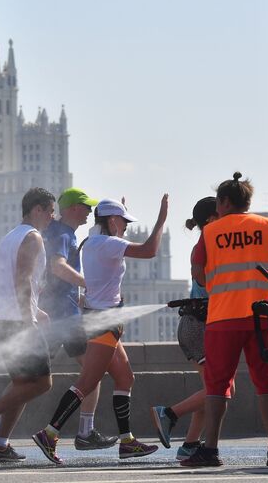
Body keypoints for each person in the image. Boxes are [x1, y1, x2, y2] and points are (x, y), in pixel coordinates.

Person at [180, 173, 268, 468]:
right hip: (263, 317)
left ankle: (210, 451)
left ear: (225, 201)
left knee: (216, 385)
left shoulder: (210, 232)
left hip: (223, 318)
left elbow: (198, 271)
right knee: (267, 384)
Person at [32, 195, 168, 465]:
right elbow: (150, 250)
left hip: (103, 320)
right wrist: (161, 219)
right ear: (114, 221)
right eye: (124, 221)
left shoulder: (92, 242)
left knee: (124, 378)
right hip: (104, 322)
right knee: (86, 383)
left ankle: (127, 442)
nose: (126, 227)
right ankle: (49, 433)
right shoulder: (109, 243)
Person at [0, 187, 56, 463]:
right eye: (50, 211)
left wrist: (35, 310)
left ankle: (0, 445)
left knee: (21, 384)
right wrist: (28, 320)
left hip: (3, 319)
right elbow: (22, 279)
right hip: (17, 321)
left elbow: (11, 283)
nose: (53, 217)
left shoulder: (9, 237)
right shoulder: (32, 237)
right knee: (43, 383)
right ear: (37, 209)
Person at [39, 187, 117, 451]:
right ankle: (83, 432)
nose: (89, 212)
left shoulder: (62, 233)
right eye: (86, 207)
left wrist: (80, 294)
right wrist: (89, 284)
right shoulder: (62, 233)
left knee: (32, 380)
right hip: (64, 315)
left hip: (61, 311)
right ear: (73, 208)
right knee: (93, 372)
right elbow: (57, 267)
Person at [151, 197, 221, 459]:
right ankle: (168, 414)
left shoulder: (208, 244)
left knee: (210, 389)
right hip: (199, 327)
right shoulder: (208, 245)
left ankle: (190, 446)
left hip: (195, 326)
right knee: (222, 390)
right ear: (212, 220)